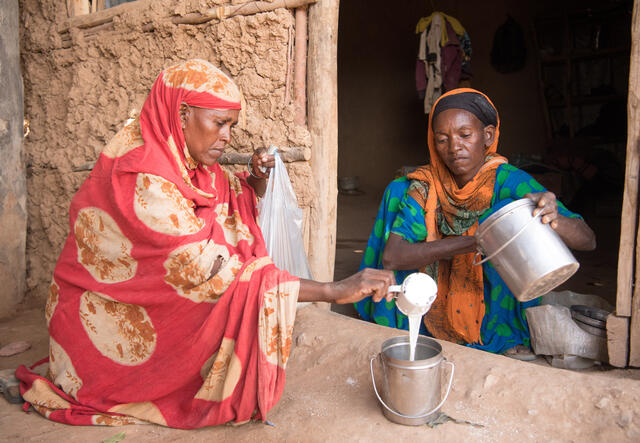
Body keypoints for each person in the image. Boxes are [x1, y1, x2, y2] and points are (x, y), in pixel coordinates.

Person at [16, 59, 395, 429]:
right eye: (219, 123)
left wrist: (257, 181)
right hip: (103, 324)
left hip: (141, 306)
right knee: (225, 294)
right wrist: (333, 290)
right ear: (181, 114)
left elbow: (222, 200)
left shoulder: (182, 159)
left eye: (231, 125)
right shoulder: (141, 177)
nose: (227, 135)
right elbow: (206, 268)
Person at [355, 88, 596, 359]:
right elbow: (393, 256)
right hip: (428, 302)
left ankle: (503, 331)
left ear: (488, 135)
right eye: (442, 139)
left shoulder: (510, 183)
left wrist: (554, 218)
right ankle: (402, 321)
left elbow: (587, 240)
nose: (454, 147)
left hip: (491, 311)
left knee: (509, 212)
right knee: (397, 189)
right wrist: (474, 242)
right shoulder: (424, 186)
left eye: (465, 135)